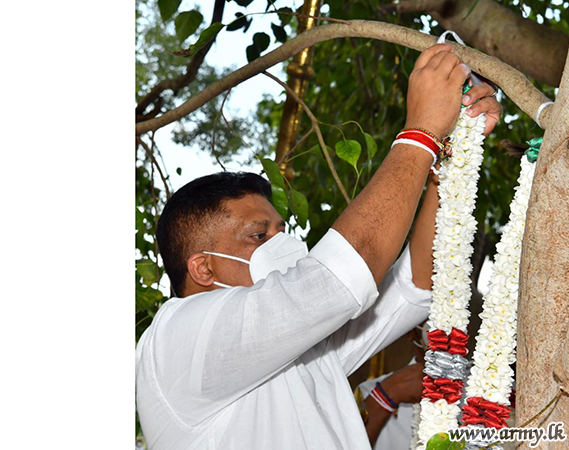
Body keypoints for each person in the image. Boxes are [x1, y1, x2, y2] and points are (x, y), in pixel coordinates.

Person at [135, 44, 501, 450]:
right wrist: (422, 133)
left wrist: (452, 152)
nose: (283, 243)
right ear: (203, 269)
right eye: (259, 235)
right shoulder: (178, 337)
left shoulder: (298, 344)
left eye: (282, 229)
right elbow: (340, 275)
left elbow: (416, 284)